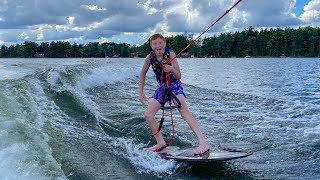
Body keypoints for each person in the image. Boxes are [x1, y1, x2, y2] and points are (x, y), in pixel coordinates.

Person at [138, 33, 210, 155]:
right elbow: (142, 73)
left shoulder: (170, 54)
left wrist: (171, 69)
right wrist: (141, 92)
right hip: (162, 87)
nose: (158, 45)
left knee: (184, 111)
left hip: (174, 85)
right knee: (148, 115)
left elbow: (178, 75)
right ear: (152, 46)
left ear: (164, 44)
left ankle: (203, 142)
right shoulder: (149, 58)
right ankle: (160, 142)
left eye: (160, 43)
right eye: (155, 43)